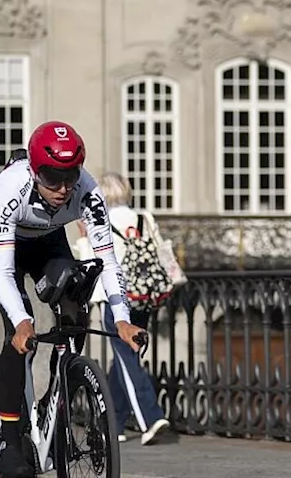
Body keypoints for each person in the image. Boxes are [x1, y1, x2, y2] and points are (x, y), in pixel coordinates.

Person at [0, 121, 144, 478]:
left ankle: (59, 391)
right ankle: (8, 439)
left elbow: (108, 259)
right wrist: (22, 323)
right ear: (35, 171)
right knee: (20, 332)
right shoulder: (11, 188)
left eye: (70, 176)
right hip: (4, 245)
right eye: (52, 178)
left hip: (48, 241)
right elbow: (5, 272)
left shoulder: (86, 190)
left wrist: (122, 318)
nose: (63, 188)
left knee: (76, 303)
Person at [83, 172, 172, 445]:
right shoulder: (144, 217)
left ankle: (150, 417)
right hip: (144, 294)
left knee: (126, 357)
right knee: (121, 359)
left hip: (117, 298)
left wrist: (93, 300)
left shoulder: (100, 219)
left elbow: (94, 261)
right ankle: (114, 423)